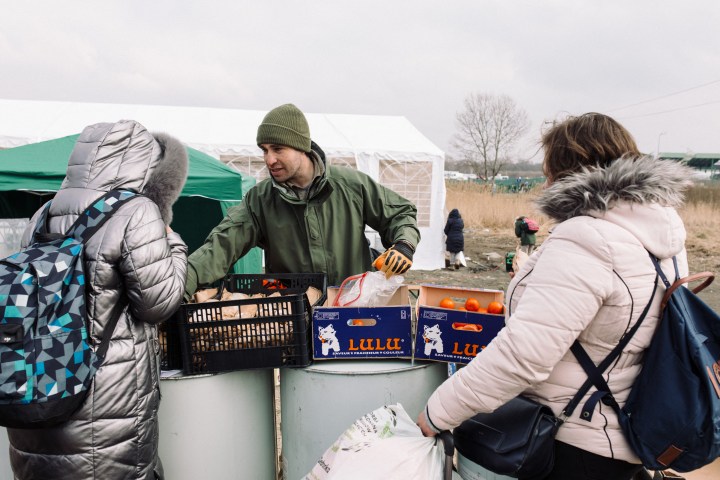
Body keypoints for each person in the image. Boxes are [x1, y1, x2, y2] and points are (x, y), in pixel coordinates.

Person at [417, 112, 693, 480]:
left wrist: (439, 412)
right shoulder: (659, 233)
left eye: (549, 170)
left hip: (573, 439)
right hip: (627, 426)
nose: (544, 182)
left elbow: (523, 356)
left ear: (569, 171)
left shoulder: (586, 238)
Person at [7, 120, 189, 480]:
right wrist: (174, 244)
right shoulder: (135, 211)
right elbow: (160, 303)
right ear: (141, 165)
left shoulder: (42, 216)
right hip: (106, 407)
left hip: (39, 395)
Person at [184, 103, 420, 296]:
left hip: (352, 307)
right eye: (264, 150)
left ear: (301, 147)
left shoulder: (350, 185)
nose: (269, 159)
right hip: (293, 316)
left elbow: (399, 213)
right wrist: (180, 282)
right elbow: (221, 245)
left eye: (277, 149)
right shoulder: (261, 200)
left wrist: (404, 244)